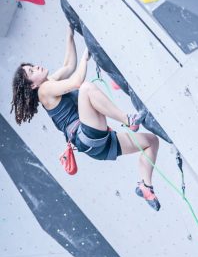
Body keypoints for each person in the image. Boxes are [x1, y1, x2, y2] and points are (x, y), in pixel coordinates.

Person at [10, 26, 161, 211]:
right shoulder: (44, 91)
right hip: (85, 135)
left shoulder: (50, 83)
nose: (36, 67)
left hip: (97, 145)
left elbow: (68, 66)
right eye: (32, 71)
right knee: (86, 88)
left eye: (32, 66)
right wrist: (86, 55)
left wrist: (70, 34)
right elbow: (76, 82)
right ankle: (129, 120)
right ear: (32, 85)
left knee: (151, 142)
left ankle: (145, 186)